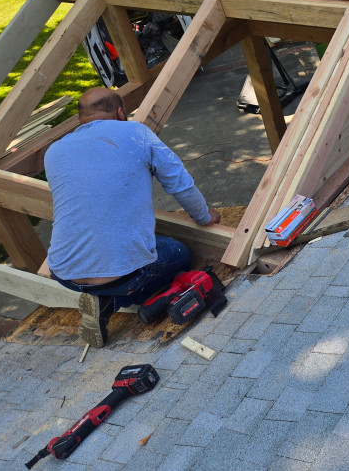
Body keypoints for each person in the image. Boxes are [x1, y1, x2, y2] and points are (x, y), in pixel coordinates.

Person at [44, 87, 220, 347]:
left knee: (131, 246)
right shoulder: (136, 133)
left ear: (80, 118)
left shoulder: (53, 151)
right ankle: (112, 301)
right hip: (123, 276)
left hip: (64, 273)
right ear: (119, 112)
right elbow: (179, 184)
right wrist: (204, 217)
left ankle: (101, 296)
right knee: (177, 252)